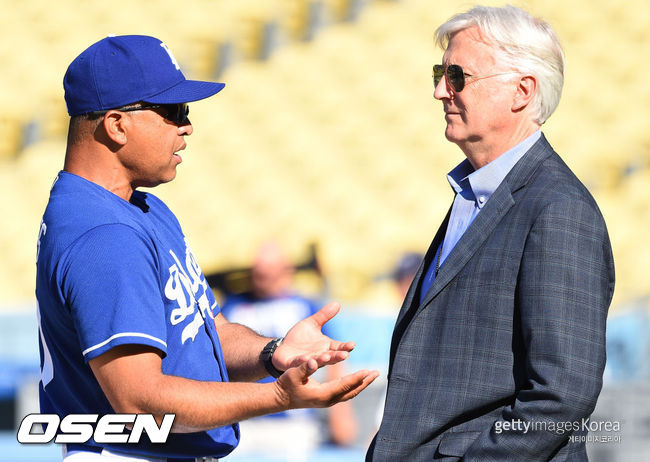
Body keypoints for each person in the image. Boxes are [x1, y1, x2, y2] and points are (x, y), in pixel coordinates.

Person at [35, 35, 378, 462]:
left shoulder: (140, 208)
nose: (187, 126)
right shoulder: (103, 232)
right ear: (116, 124)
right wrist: (277, 398)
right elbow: (139, 401)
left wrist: (273, 353)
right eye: (173, 111)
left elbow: (205, 333)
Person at [366, 6, 615, 461]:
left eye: (458, 76)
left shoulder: (559, 208)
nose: (440, 90)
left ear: (522, 92)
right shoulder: (478, 192)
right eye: (441, 73)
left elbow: (562, 395)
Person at [220, 242, 358, 459]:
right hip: (244, 418)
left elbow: (332, 358)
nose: (262, 275)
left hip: (294, 421)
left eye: (269, 269)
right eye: (258, 270)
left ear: (286, 271)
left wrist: (341, 417)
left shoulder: (305, 307)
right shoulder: (233, 306)